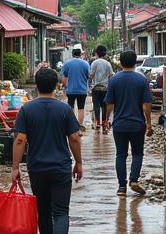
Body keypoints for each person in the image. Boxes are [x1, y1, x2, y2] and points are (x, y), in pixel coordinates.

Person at [11, 67, 82, 234]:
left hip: (37, 168)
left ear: (36, 85)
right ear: (56, 85)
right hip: (60, 167)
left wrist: (15, 168)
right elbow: (75, 138)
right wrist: (79, 163)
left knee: (43, 211)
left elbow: (20, 139)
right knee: (60, 212)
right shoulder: (64, 109)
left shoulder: (27, 109)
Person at [102, 50, 154, 197]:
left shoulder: (114, 80)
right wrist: (149, 123)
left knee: (120, 154)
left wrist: (106, 120)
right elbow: (146, 105)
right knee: (137, 153)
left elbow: (110, 104)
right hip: (137, 125)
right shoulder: (141, 79)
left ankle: (121, 188)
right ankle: (134, 180)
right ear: (135, 61)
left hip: (119, 125)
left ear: (121, 62)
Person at [61, 48, 90, 130]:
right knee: (81, 108)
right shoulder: (85, 63)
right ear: (80, 54)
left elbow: (64, 78)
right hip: (82, 90)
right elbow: (89, 76)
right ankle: (79, 125)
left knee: (70, 107)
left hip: (71, 90)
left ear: (72, 54)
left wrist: (66, 87)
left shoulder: (67, 63)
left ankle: (71, 125)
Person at [88, 45, 115, 131]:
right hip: (105, 88)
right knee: (104, 106)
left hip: (95, 88)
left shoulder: (94, 63)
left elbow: (91, 75)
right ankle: (104, 122)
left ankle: (97, 123)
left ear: (96, 53)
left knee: (96, 105)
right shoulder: (108, 63)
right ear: (105, 53)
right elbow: (111, 75)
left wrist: (90, 79)